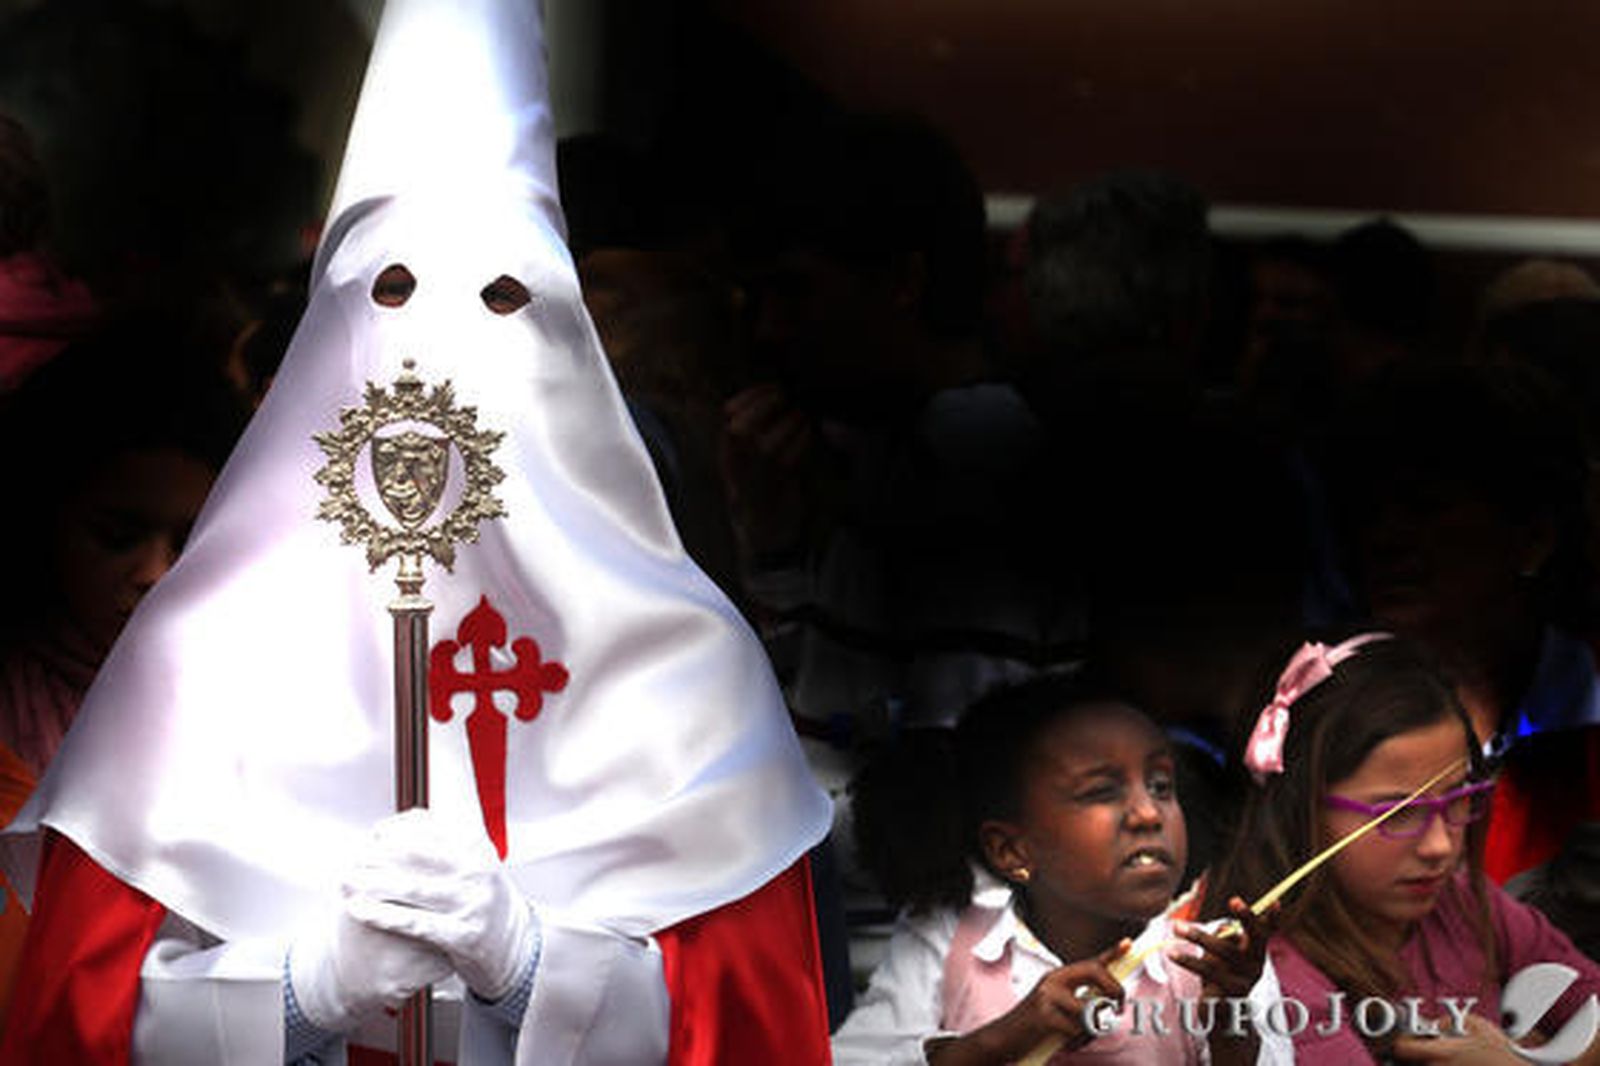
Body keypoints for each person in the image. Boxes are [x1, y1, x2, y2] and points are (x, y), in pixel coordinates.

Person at [0, 0, 832, 1063]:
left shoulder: (689, 676)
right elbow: (77, 1022)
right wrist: (297, 992)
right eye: (393, 290)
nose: (438, 350)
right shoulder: (194, 656)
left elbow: (755, 1027)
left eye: (500, 296)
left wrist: (536, 968)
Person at [832, 673, 1288, 1065]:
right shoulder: (950, 940)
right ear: (1011, 851)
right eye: (1101, 792)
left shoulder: (1217, 963)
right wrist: (1001, 1039)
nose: (1149, 814)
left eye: (1160, 785)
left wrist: (1227, 1021)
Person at [0, 319, 242, 1026]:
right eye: (118, 536)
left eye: (191, 539)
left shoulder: (261, 701)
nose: (155, 573)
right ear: (44, 519)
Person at [1205, 632, 1600, 1064]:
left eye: (1458, 799)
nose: (1439, 846)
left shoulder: (1465, 904)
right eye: (1397, 814)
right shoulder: (1271, 975)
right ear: (1300, 813)